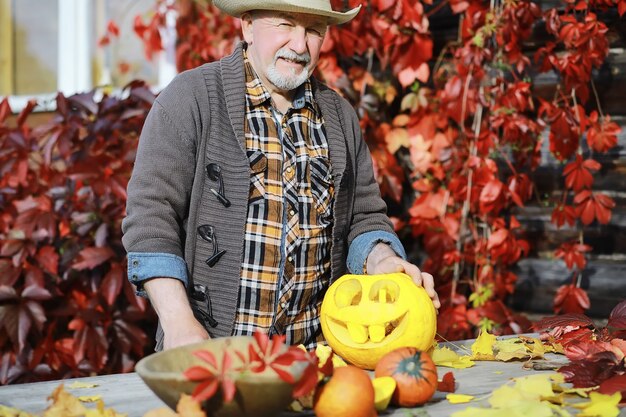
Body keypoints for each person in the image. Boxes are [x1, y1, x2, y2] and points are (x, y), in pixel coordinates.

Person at [122, 0, 440, 351]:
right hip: (209, 355)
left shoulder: (339, 117)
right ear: (247, 26)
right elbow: (151, 218)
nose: (300, 45)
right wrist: (179, 321)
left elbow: (364, 218)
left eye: (314, 30)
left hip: (314, 361)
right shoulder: (191, 99)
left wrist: (383, 260)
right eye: (285, 24)